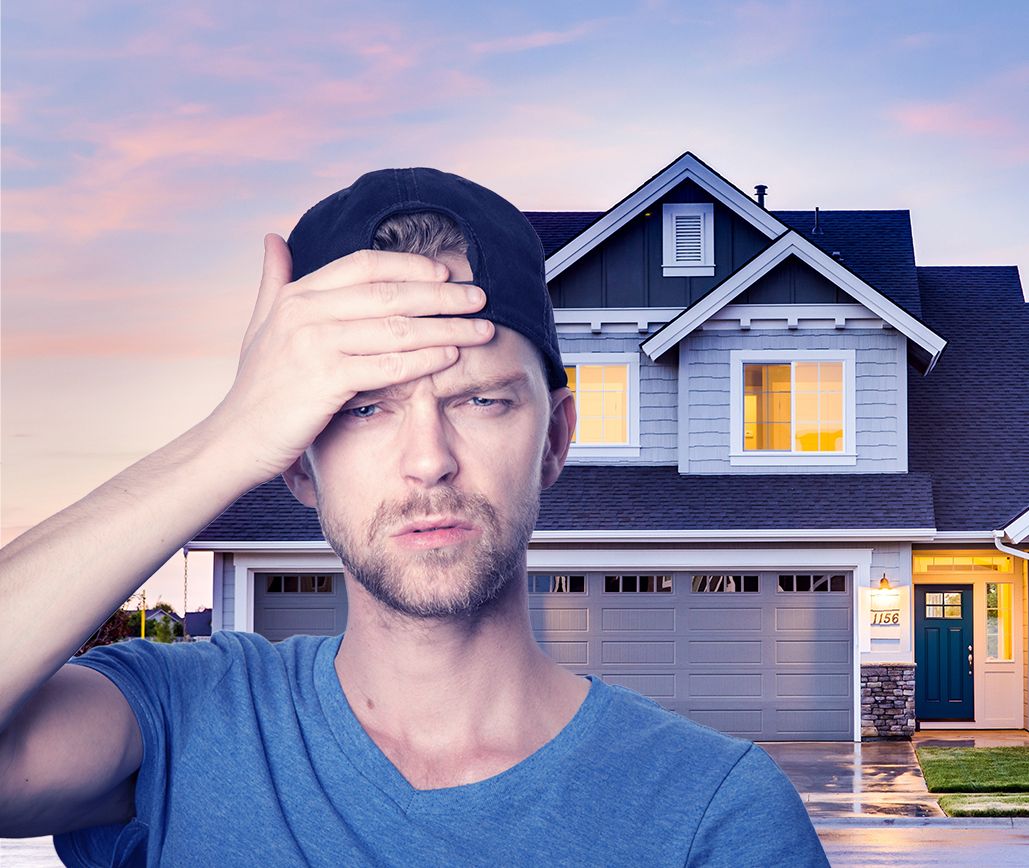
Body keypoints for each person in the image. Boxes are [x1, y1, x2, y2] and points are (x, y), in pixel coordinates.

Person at [0, 169, 830, 866]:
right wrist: (230, 434)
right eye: (365, 409)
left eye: (481, 398)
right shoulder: (186, 720)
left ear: (554, 439)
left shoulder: (716, 815)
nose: (429, 458)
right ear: (296, 459)